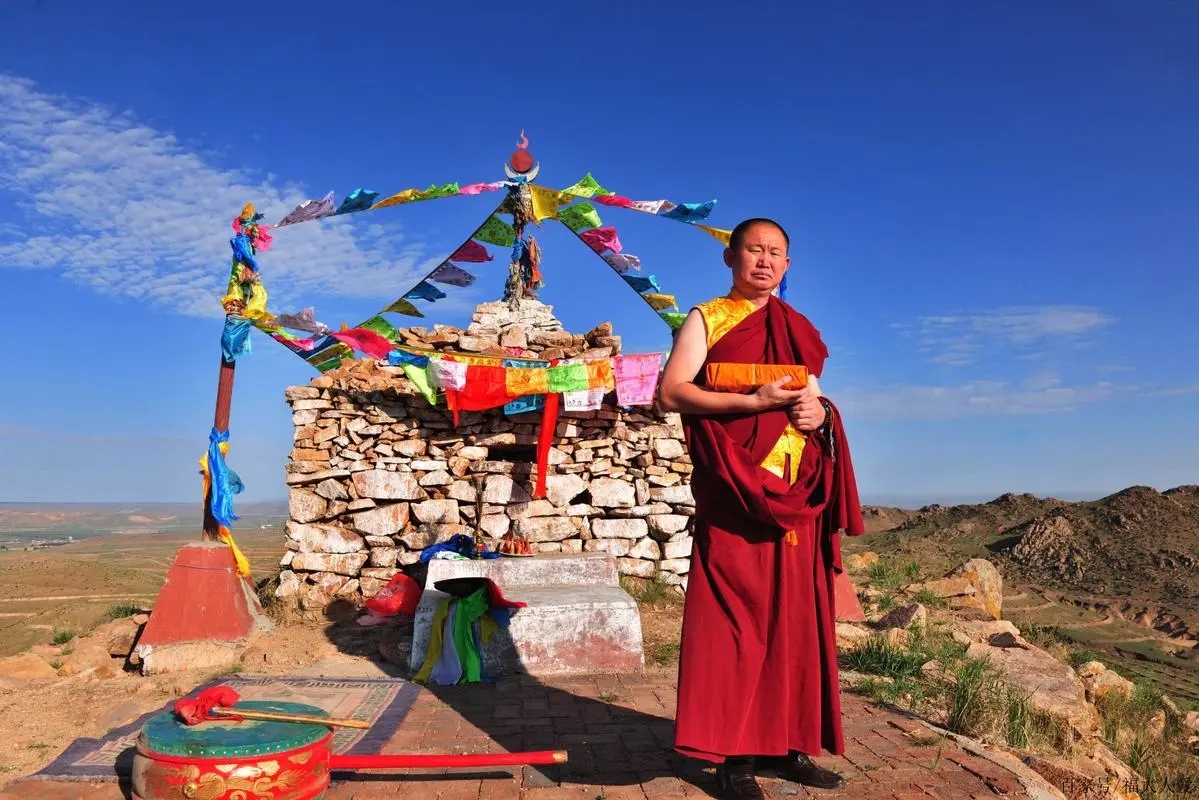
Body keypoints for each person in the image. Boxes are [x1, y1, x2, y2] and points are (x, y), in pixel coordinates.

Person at [657, 218, 865, 800]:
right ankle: (735, 758)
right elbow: (672, 392)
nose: (765, 261)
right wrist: (752, 401)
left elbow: (813, 398)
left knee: (797, 622)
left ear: (787, 265)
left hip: (796, 493)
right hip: (736, 491)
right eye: (754, 250)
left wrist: (820, 415)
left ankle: (789, 746)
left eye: (776, 253)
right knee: (736, 625)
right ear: (731, 257)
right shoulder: (707, 318)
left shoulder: (797, 328)